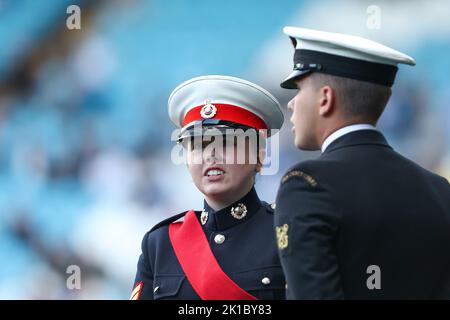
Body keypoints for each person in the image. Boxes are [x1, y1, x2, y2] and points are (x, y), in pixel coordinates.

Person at [274, 26, 450, 299]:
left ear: (325, 99)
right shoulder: (439, 189)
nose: (292, 104)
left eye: (298, 89)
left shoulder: (307, 185)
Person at [131, 75, 286, 300]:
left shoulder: (286, 233)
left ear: (259, 155)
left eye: (225, 141)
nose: (210, 155)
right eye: (198, 145)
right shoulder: (159, 244)